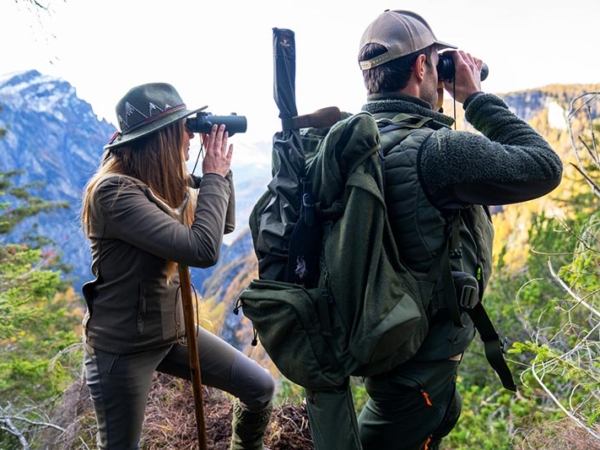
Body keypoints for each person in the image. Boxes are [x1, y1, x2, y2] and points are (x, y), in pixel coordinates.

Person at [304, 10, 563, 450]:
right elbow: (544, 166)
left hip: (380, 349)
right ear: (423, 66)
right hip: (417, 367)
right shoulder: (439, 151)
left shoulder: (349, 142)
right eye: (435, 60)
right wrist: (475, 96)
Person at [80, 82, 275, 450]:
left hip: (172, 332)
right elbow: (202, 249)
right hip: (123, 349)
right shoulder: (114, 193)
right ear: (162, 137)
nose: (190, 137)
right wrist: (214, 175)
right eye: (184, 129)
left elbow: (222, 226)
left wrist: (223, 172)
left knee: (259, 387)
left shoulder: (164, 181)